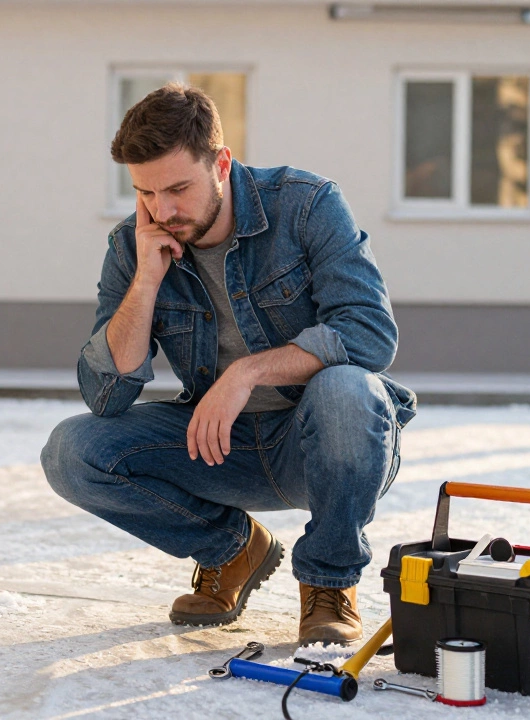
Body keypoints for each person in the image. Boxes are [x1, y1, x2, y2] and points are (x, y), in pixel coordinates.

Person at [41, 84, 417, 646]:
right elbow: (105, 396)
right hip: (218, 446)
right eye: (145, 192)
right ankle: (233, 550)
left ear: (221, 163)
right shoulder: (134, 243)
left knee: (348, 388)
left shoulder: (306, 204)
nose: (162, 211)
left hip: (317, 440)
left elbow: (369, 333)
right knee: (71, 452)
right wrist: (146, 280)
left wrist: (245, 373)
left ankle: (329, 583)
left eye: (178, 189)